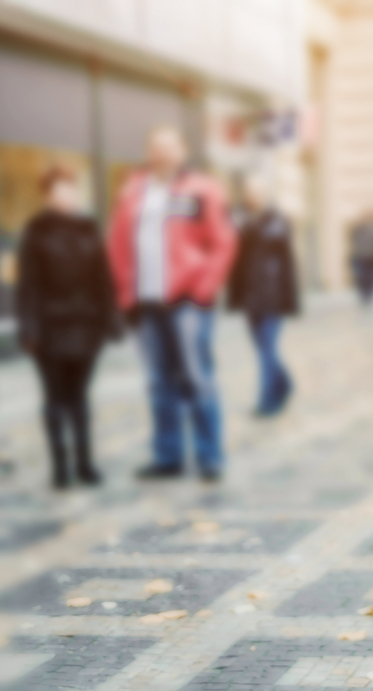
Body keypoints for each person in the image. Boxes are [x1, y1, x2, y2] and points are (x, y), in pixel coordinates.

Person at [107, 126, 236, 481]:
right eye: (155, 147)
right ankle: (169, 457)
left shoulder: (202, 189)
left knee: (197, 377)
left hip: (188, 302)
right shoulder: (133, 191)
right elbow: (117, 245)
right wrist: (124, 294)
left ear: (183, 150)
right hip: (146, 303)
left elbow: (223, 242)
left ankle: (210, 457)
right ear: (149, 152)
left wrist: (203, 289)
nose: (161, 153)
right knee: (158, 381)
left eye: (168, 146)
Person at [16, 167, 119, 488]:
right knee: (55, 398)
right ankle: (60, 467)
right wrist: (29, 329)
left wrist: (111, 318)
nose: (67, 196)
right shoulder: (36, 232)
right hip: (50, 328)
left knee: (80, 396)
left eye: (71, 189)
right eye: (60, 190)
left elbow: (103, 279)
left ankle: (85, 463)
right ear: (48, 196)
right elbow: (28, 286)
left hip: (87, 326)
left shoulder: (89, 228)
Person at [228, 174, 299, 416]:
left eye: (257, 191)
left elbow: (284, 257)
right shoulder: (241, 217)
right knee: (262, 347)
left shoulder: (276, 219)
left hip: (272, 294)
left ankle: (267, 401)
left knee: (267, 347)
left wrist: (291, 300)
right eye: (249, 191)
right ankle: (285, 383)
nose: (252, 195)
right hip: (249, 295)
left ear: (266, 193)